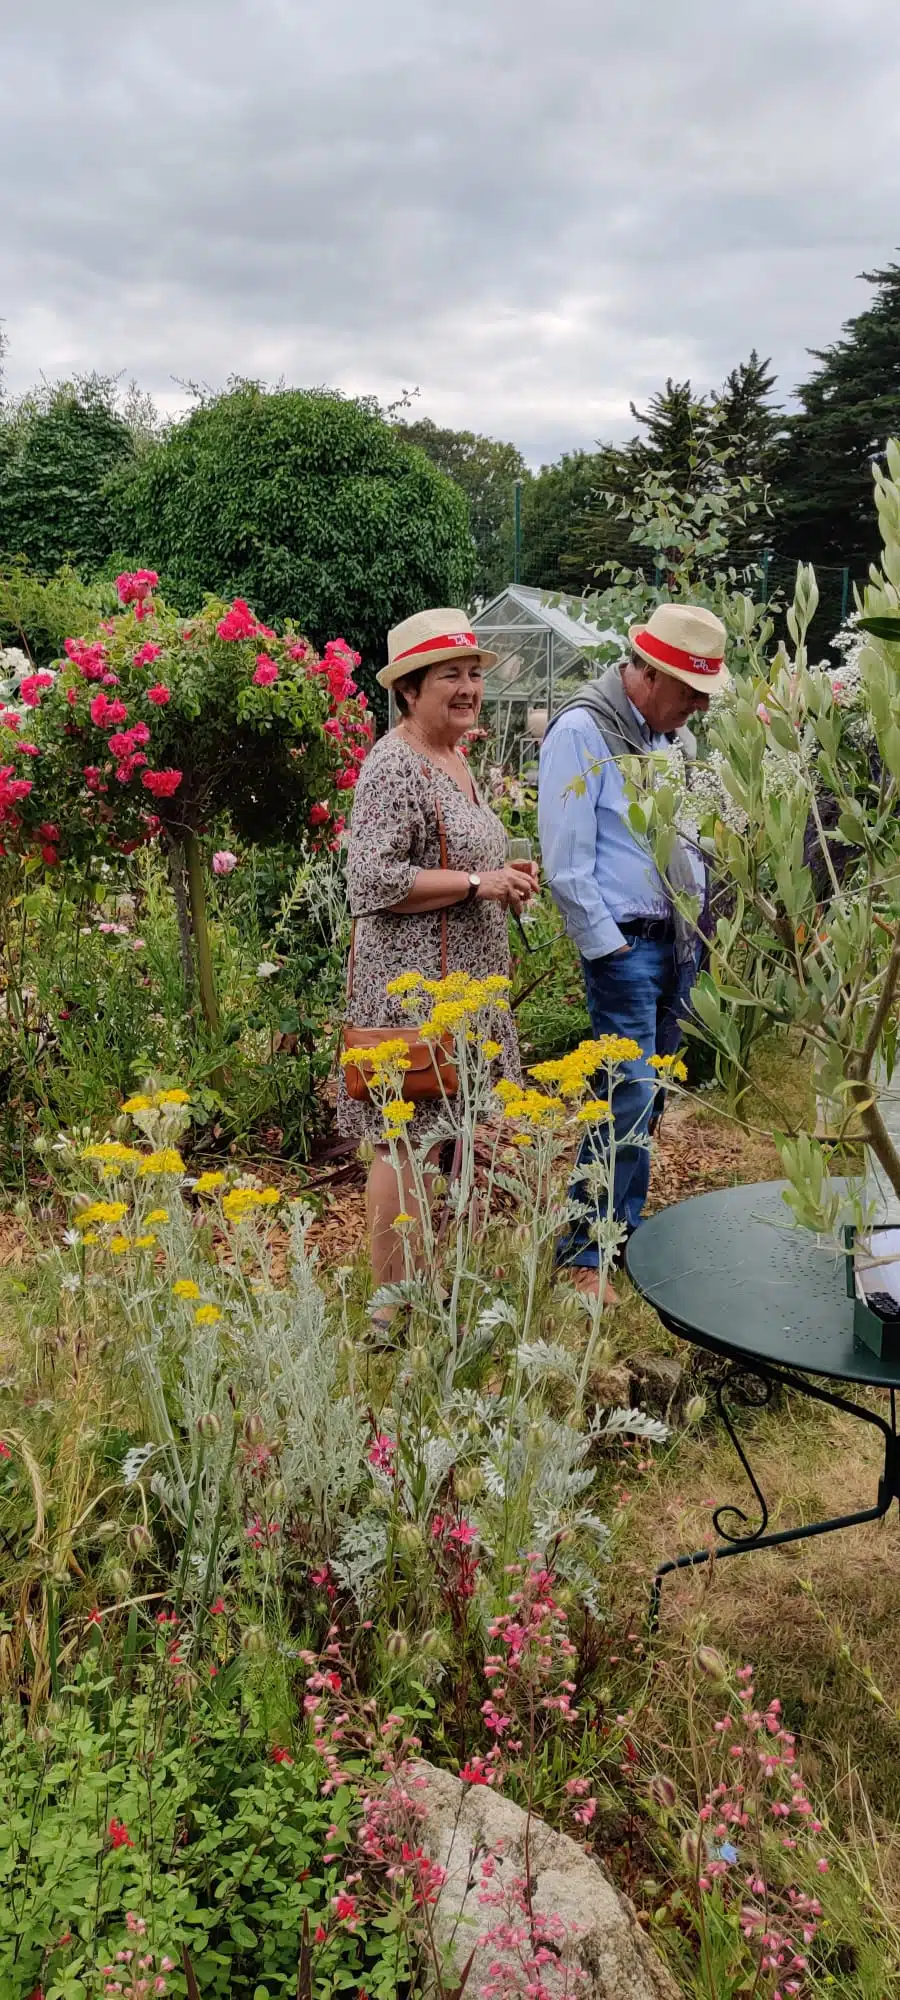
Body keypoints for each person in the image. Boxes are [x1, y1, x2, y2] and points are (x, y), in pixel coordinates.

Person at [339, 607, 538, 1327]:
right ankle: (389, 1310)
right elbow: (370, 880)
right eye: (450, 675)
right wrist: (479, 883)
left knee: (439, 1133)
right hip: (412, 987)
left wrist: (501, 877)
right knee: (405, 1139)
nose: (468, 688)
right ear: (409, 689)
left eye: (474, 674)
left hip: (459, 984)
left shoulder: (452, 758)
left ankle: (423, 1284)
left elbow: (452, 864)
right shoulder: (393, 764)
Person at [537, 603, 729, 1303]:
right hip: (626, 946)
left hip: (675, 944)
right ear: (647, 672)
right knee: (627, 1095)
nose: (698, 706)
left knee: (649, 1100)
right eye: (689, 691)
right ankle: (583, 1255)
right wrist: (611, 949)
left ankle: (623, 1233)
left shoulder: (670, 740)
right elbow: (566, 863)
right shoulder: (584, 730)